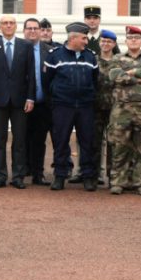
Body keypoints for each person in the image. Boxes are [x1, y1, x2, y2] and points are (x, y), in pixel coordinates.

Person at [43, 22, 100, 191]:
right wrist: (55, 100)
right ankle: (60, 175)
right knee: (60, 141)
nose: (86, 41)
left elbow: (95, 80)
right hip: (63, 106)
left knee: (87, 141)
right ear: (73, 38)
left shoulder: (90, 56)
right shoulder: (54, 55)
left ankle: (87, 176)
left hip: (85, 107)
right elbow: (47, 82)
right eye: (83, 38)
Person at [107, 26, 141, 195]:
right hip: (122, 109)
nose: (133, 41)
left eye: (136, 38)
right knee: (120, 146)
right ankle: (118, 181)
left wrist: (131, 73)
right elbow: (115, 75)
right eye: (130, 38)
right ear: (126, 41)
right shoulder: (117, 58)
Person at [0, 15, 35, 189]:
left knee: (19, 140)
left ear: (16, 26)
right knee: (0, 140)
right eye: (5, 23)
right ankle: (0, 175)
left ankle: (18, 176)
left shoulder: (26, 46)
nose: (8, 25)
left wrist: (30, 97)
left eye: (11, 23)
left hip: (20, 101)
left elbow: (31, 75)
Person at [23, 17, 54, 185]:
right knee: (21, 139)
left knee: (39, 140)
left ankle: (38, 173)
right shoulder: (18, 48)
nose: (33, 31)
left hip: (43, 103)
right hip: (21, 103)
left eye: (36, 28)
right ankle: (20, 170)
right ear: (24, 31)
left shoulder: (49, 51)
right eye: (30, 28)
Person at [94, 30, 118, 186]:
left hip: (114, 108)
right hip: (95, 107)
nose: (105, 44)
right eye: (103, 41)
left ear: (114, 44)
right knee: (95, 141)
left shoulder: (119, 62)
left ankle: (113, 175)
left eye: (109, 42)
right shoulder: (93, 60)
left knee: (113, 142)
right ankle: (95, 174)